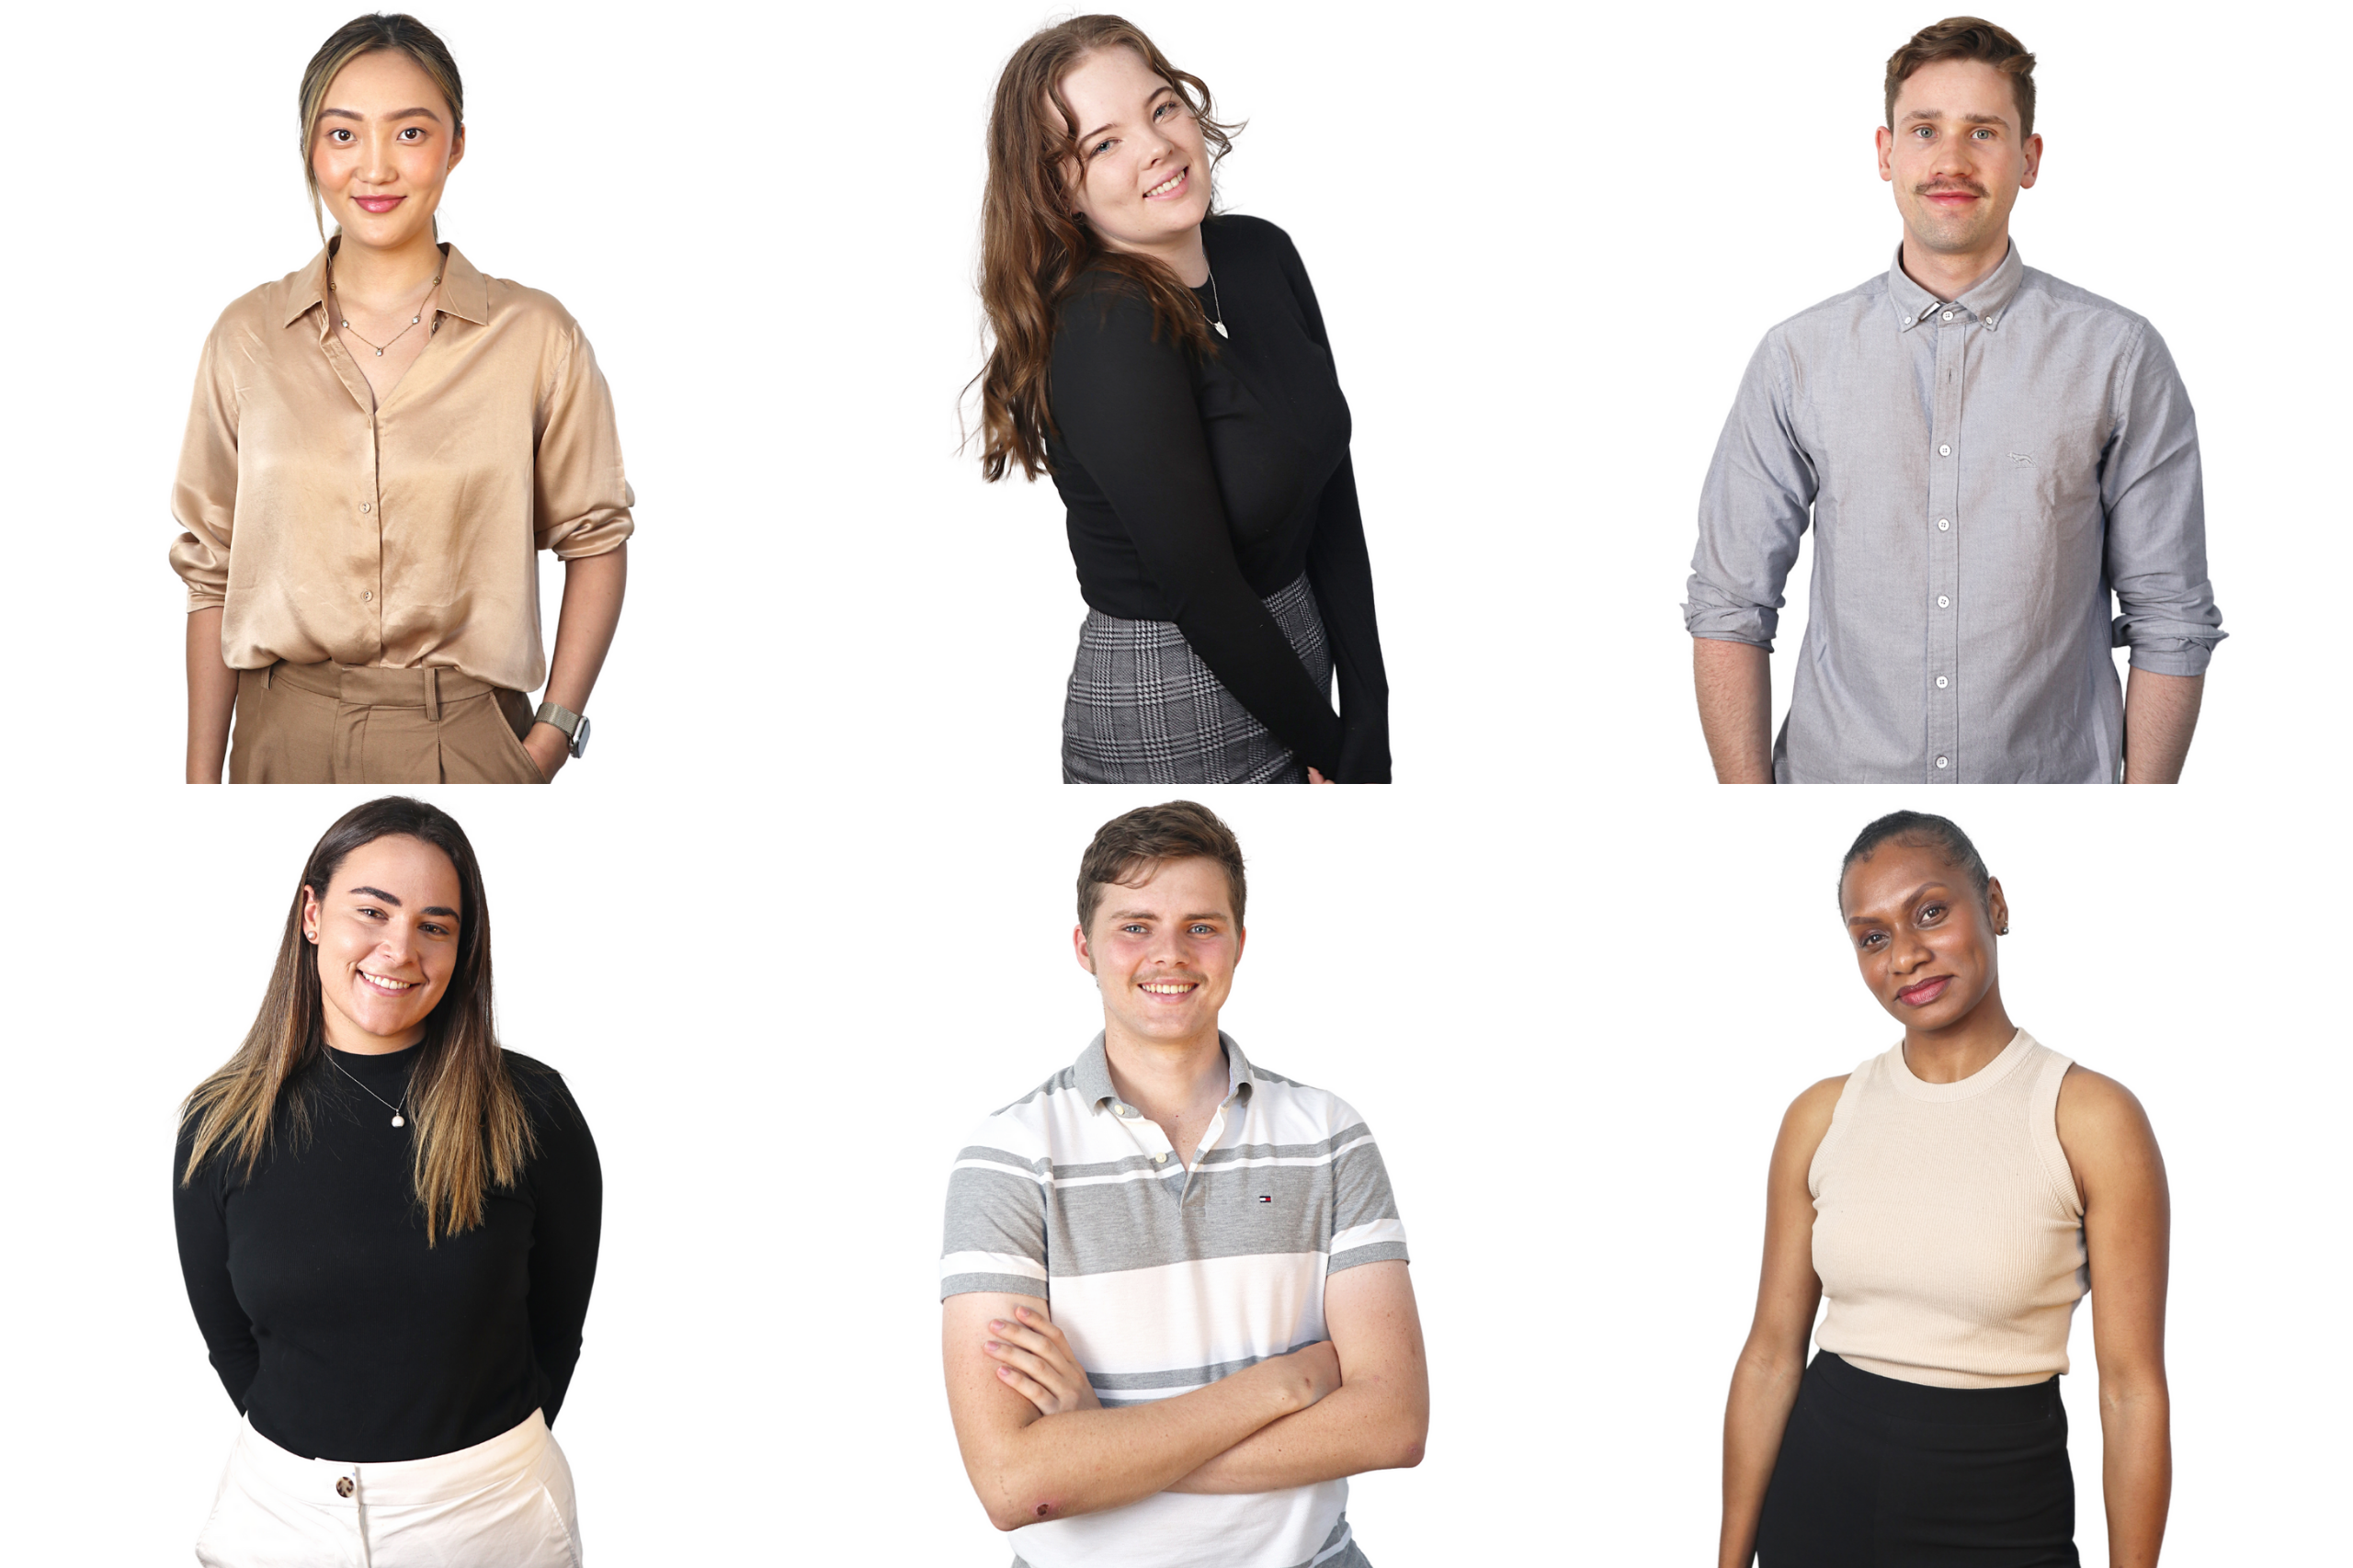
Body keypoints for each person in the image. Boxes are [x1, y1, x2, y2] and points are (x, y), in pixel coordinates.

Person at [1684, 17, 2223, 784]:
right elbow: (1730, 604)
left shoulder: (2119, 357)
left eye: (1983, 133)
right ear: (1885, 152)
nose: (1950, 160)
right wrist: (1751, 816)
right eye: (1926, 129)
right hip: (1835, 797)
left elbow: (2171, 614)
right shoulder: (1797, 358)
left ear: (2029, 158)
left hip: (2058, 803)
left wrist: (2136, 821)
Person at [939, 801, 1427, 1565]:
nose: (1170, 953)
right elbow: (1012, 1481)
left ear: (1238, 944)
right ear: (1083, 947)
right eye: (1135, 926)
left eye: (1201, 925)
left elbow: (1392, 1423)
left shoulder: (1329, 1135)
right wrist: (1284, 1387)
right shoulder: (1008, 1156)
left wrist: (1102, 1445)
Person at [171, 13, 631, 784]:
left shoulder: (536, 336)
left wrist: (551, 734)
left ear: (455, 144)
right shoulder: (248, 337)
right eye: (343, 135)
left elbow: (596, 537)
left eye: (410, 134)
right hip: (279, 738)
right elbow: (210, 570)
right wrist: (198, 784)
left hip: (468, 734)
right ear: (312, 149)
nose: (375, 168)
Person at [1719, 811, 2170, 1567]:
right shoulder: (1822, 1114)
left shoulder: (2090, 1117)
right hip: (1816, 1511)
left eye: (1931, 912)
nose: (1907, 956)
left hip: (2002, 1521)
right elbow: (1769, 1356)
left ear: (1993, 903)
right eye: (1873, 937)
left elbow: (2131, 1394)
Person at [175, 797, 600, 1567]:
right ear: (312, 914)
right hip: (278, 1521)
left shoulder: (530, 1108)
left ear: (462, 948)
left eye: (435, 926)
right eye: (372, 911)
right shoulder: (220, 1122)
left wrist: (454, 1479)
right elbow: (231, 1344)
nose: (400, 949)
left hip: (488, 1520)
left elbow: (556, 1330)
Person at [974, 16, 1391, 783]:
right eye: (1103, 144)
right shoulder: (1106, 324)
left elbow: (1331, 487)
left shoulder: (1260, 253)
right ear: (1057, 189)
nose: (1156, 147)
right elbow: (1200, 589)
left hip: (1301, 664)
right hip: (1174, 697)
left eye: (1161, 108)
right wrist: (1336, 750)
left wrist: (1370, 715)